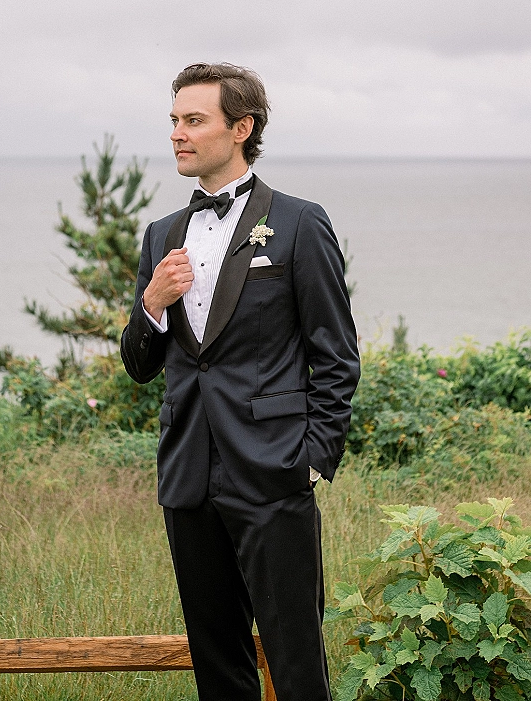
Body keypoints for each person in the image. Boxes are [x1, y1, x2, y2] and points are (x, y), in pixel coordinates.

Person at [121, 62, 360, 701]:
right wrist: (151, 301)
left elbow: (336, 355)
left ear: (241, 128)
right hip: (189, 478)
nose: (178, 134)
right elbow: (141, 365)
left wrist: (313, 462)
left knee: (297, 662)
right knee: (217, 663)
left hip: (274, 474)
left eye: (194, 120)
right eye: (174, 121)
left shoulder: (300, 224)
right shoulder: (160, 235)